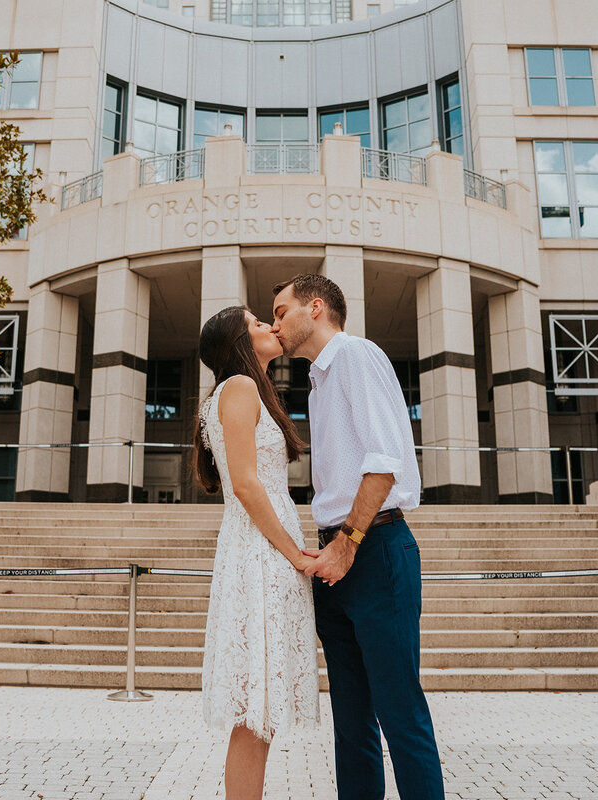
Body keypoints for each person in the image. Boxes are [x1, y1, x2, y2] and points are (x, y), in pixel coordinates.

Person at [271, 274, 445, 800]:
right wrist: (331, 546)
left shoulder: (355, 356)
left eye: (281, 311)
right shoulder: (318, 381)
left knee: (400, 713)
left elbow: (385, 461)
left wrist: (347, 542)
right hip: (335, 554)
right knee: (350, 722)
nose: (275, 322)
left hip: (374, 549)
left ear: (316, 307)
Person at [192, 305, 320, 800]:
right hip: (261, 552)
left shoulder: (244, 391)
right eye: (256, 323)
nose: (270, 326)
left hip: (258, 547)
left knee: (258, 708)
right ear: (239, 343)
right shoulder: (240, 388)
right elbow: (245, 484)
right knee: (253, 706)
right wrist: (294, 554)